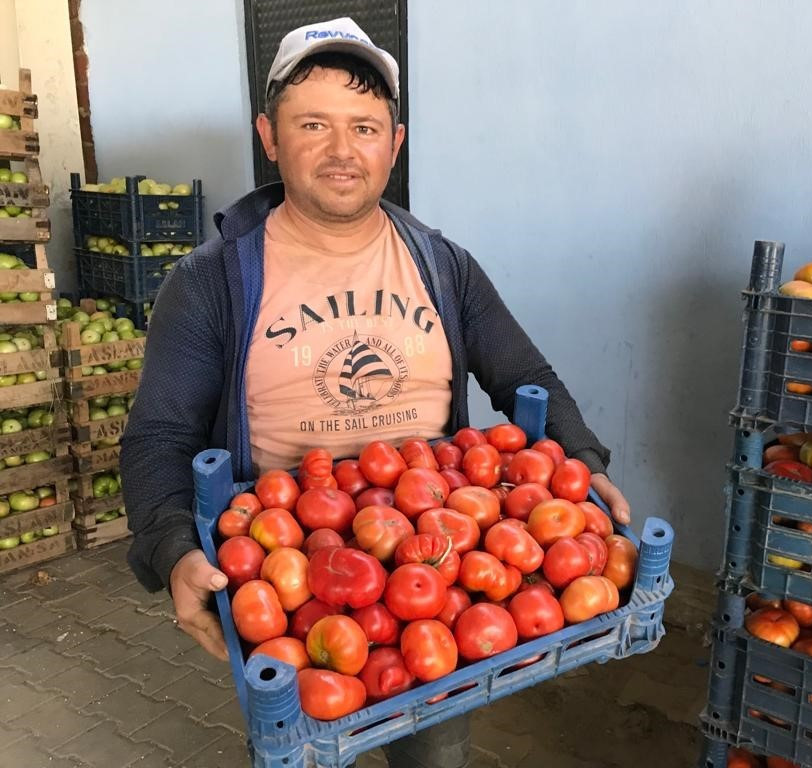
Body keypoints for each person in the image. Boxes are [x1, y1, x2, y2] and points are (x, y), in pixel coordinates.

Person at [121, 16, 630, 768]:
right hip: (290, 556)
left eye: (364, 127)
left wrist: (584, 464)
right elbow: (158, 436)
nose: (341, 151)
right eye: (312, 124)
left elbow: (528, 379)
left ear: (394, 143)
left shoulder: (443, 264)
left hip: (439, 548)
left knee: (435, 748)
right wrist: (170, 550)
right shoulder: (210, 282)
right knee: (297, 744)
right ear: (269, 136)